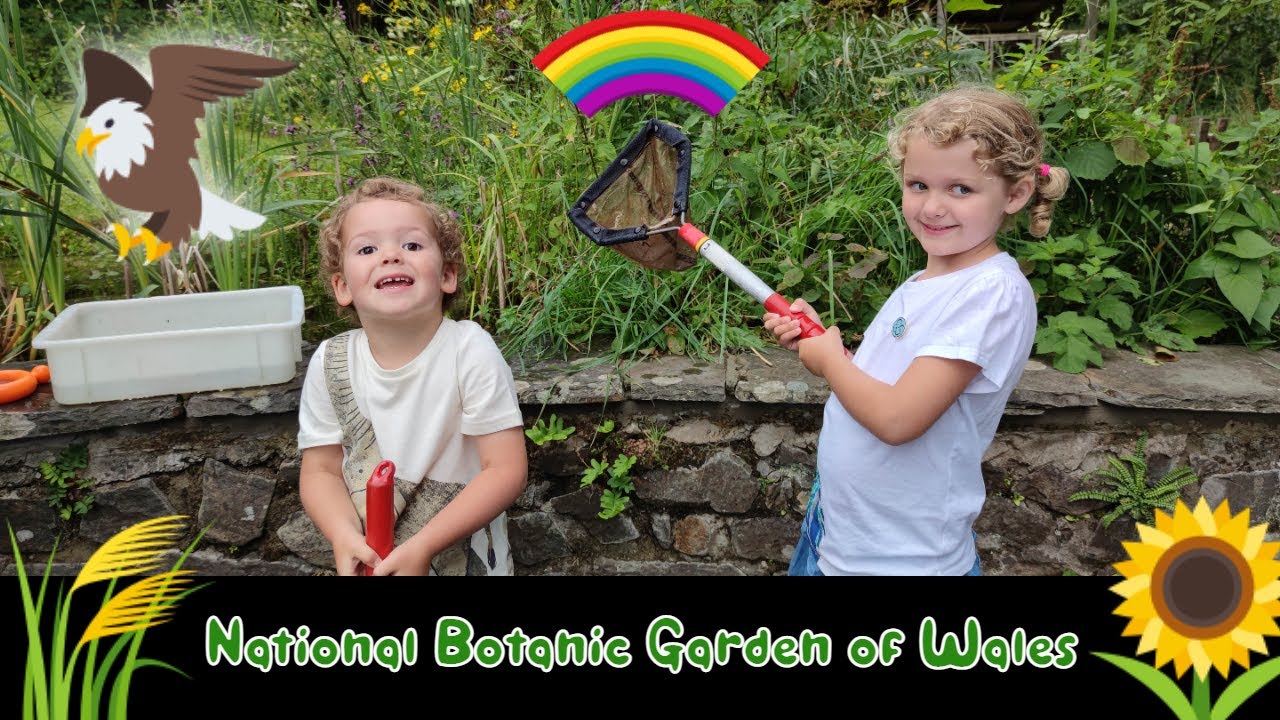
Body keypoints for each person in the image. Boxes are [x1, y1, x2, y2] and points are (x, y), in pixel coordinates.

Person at [764, 86, 1069, 576]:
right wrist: (820, 340)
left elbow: (898, 419)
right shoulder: (924, 282)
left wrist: (829, 362)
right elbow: (886, 381)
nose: (932, 207)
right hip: (839, 538)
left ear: (1015, 194)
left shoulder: (991, 293)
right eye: (918, 185)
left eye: (961, 189)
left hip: (901, 560)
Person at [298, 176, 527, 576]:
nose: (391, 256)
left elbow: (505, 469)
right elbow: (320, 470)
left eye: (412, 245)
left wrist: (422, 548)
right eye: (368, 248)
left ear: (446, 276)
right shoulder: (331, 361)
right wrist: (343, 535)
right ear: (342, 286)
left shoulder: (469, 350)